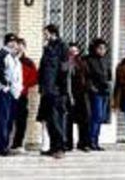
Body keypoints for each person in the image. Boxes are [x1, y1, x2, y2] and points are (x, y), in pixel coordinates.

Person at [38, 25, 69, 159]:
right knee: (49, 120)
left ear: (52, 33)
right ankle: (53, 147)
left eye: (45, 33)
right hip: (47, 90)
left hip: (55, 90)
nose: (44, 36)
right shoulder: (48, 48)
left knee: (56, 120)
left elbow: (63, 70)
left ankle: (60, 148)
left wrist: (59, 88)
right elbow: (44, 69)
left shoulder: (61, 47)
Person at [0, 33, 23, 156]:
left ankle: (5, 145)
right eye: (13, 41)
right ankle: (0, 147)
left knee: (8, 120)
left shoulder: (11, 56)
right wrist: (6, 85)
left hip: (11, 92)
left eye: (16, 42)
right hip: (3, 91)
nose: (15, 44)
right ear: (7, 42)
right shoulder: (0, 54)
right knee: (3, 119)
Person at [10, 39, 38, 152]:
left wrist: (24, 85)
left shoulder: (28, 62)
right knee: (8, 119)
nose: (19, 48)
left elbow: (34, 78)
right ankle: (7, 142)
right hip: (10, 94)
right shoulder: (9, 59)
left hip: (22, 94)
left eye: (22, 46)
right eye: (18, 45)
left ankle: (18, 143)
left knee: (21, 121)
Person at [64, 43, 91, 152]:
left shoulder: (82, 63)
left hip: (81, 94)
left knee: (84, 120)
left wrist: (88, 89)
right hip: (68, 94)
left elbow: (88, 77)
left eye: (75, 51)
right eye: (71, 51)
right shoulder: (65, 63)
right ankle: (68, 143)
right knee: (68, 120)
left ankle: (83, 143)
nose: (73, 54)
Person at [85, 39, 110, 151]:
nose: (102, 50)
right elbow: (87, 76)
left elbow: (108, 75)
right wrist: (92, 88)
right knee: (96, 116)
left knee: (100, 117)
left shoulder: (105, 60)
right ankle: (91, 141)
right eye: (100, 48)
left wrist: (109, 85)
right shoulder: (89, 60)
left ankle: (96, 141)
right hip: (95, 92)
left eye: (104, 48)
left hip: (104, 92)